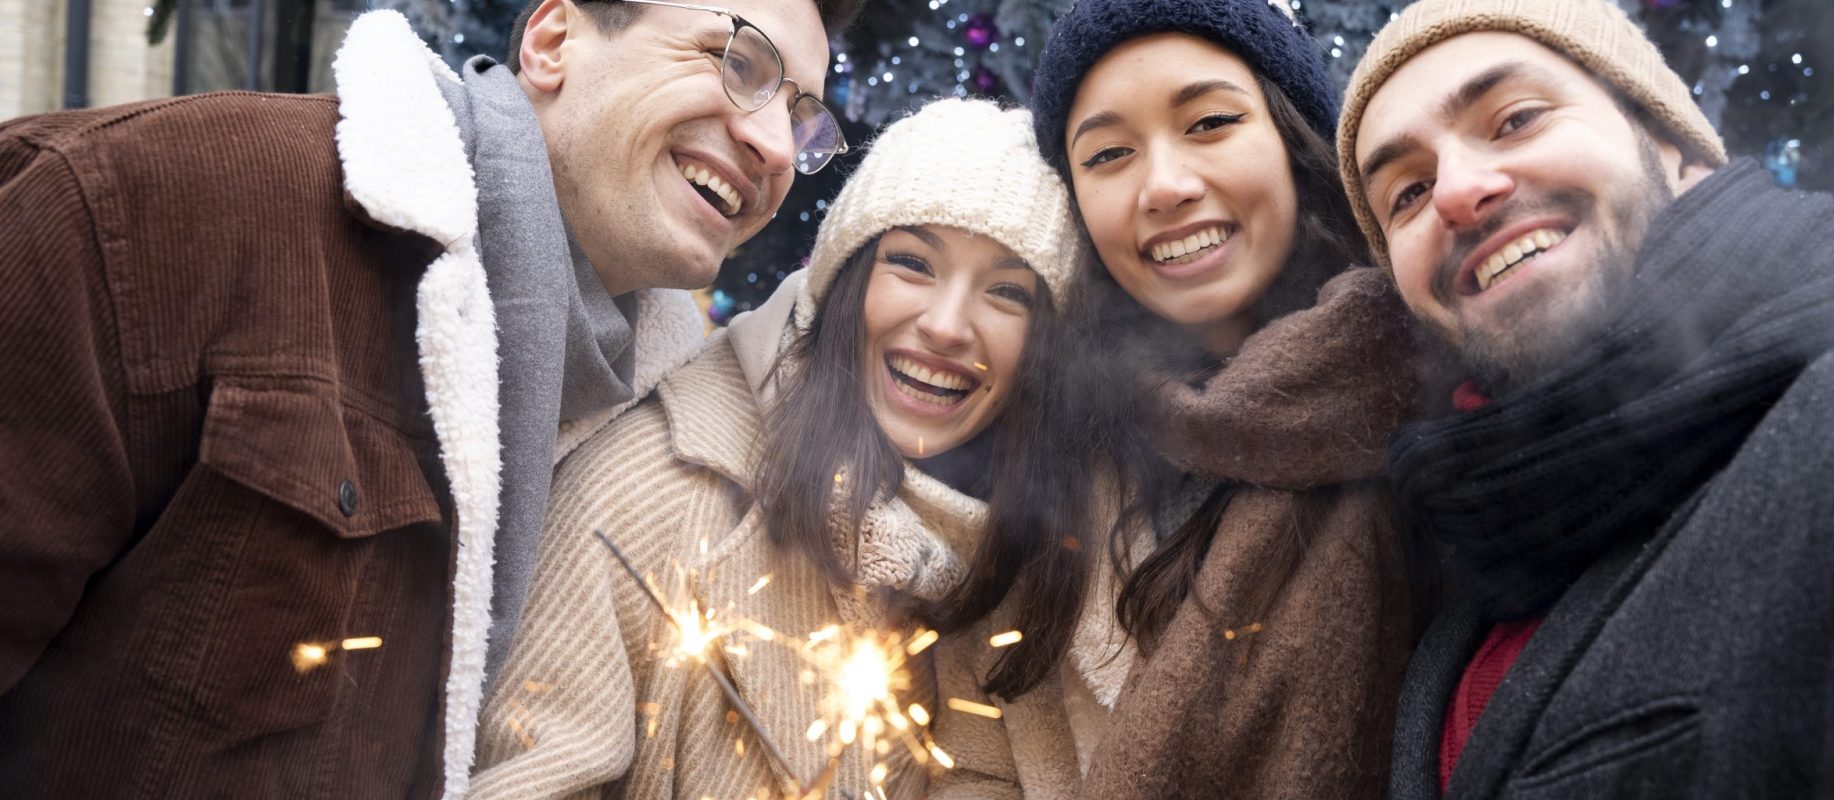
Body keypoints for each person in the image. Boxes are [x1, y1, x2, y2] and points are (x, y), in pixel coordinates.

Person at [0, 0, 858, 795]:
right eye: (737, 62)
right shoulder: (147, 203)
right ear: (554, 41)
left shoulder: (640, 438)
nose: (777, 147)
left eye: (802, 116)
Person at [1337, 0, 1834, 797]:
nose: (1457, 192)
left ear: (1675, 145)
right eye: (1406, 193)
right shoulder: (1456, 582)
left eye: (1514, 119)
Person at [468, 98, 1082, 800]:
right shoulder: (652, 493)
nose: (945, 326)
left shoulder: (1044, 559)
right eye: (913, 263)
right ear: (844, 282)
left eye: (1008, 294)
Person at [925, 0, 1430, 797]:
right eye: (1109, 154)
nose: (1163, 186)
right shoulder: (1043, 442)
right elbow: (970, 750)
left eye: (1209, 123)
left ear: (1292, 137)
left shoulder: (1438, 394)